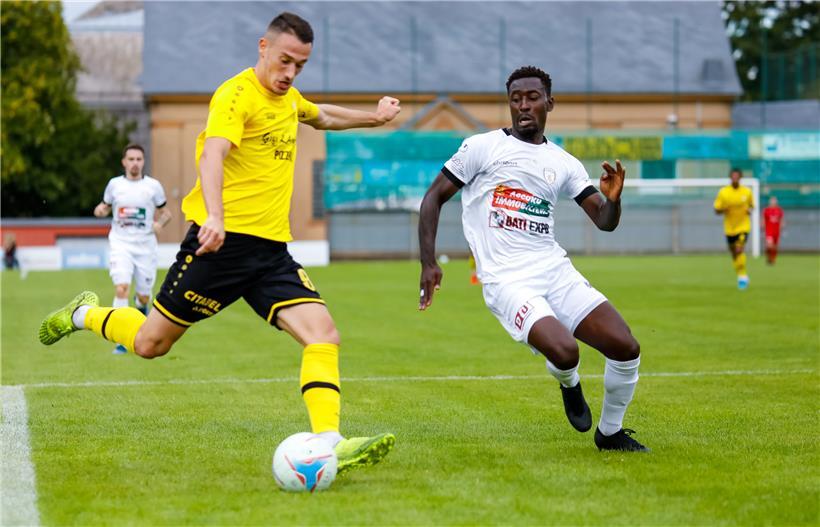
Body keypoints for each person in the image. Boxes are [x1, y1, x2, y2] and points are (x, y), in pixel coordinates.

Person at [39, 12, 401, 473]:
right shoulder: (235, 96)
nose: (290, 74)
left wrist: (375, 117)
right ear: (263, 48)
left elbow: (322, 114)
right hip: (219, 247)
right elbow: (213, 154)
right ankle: (81, 314)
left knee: (323, 335)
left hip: (271, 254)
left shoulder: (288, 100)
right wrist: (214, 216)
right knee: (151, 343)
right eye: (285, 60)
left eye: (301, 66)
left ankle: (331, 441)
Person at [418, 66, 648, 452]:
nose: (523, 105)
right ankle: (570, 385)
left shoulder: (564, 163)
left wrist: (614, 199)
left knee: (626, 347)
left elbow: (604, 222)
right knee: (565, 351)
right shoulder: (482, 148)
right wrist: (429, 262)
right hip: (507, 279)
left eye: (532, 97)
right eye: (516, 98)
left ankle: (610, 433)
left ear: (549, 103)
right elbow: (432, 198)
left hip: (554, 270)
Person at [94, 144, 172, 354]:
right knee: (121, 287)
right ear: (124, 162)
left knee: (144, 296)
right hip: (121, 244)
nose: (135, 163)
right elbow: (104, 206)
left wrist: (160, 224)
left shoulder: (153, 186)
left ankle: (141, 314)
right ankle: (120, 339)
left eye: (139, 159)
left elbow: (166, 213)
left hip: (146, 246)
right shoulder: (114, 185)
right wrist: (100, 210)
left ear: (143, 161)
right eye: (131, 159)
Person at [714, 168, 754, 289]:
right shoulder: (723, 192)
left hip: (743, 226)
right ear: (730, 177)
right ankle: (741, 275)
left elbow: (752, 206)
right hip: (729, 228)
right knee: (734, 254)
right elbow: (716, 209)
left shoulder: (747, 192)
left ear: (740, 178)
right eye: (733, 176)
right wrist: (723, 210)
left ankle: (742, 277)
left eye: (737, 176)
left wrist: (749, 210)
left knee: (739, 249)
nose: (735, 178)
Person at [762, 195, 785, 265]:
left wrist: (782, 225)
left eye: (774, 201)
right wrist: (762, 225)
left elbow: (782, 220)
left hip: (776, 231)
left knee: (775, 246)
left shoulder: (779, 210)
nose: (773, 202)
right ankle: (768, 257)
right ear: (770, 202)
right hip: (769, 231)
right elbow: (763, 220)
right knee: (769, 245)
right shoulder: (766, 210)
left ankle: (773, 259)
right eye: (772, 201)